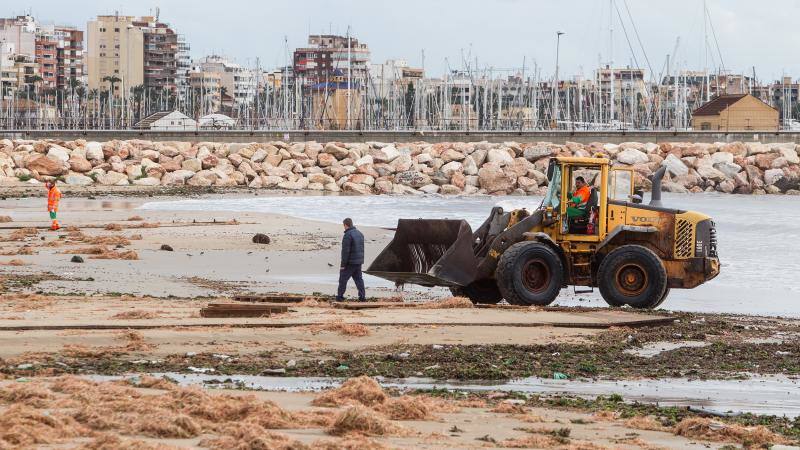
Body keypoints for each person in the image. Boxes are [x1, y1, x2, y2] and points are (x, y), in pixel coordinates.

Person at [337, 217, 366, 302]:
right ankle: (362, 297)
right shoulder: (360, 234)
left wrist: (343, 265)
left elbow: (345, 251)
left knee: (343, 279)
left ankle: (340, 297)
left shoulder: (347, 235)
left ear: (345, 225)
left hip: (350, 262)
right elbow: (361, 248)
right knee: (359, 280)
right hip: (359, 262)